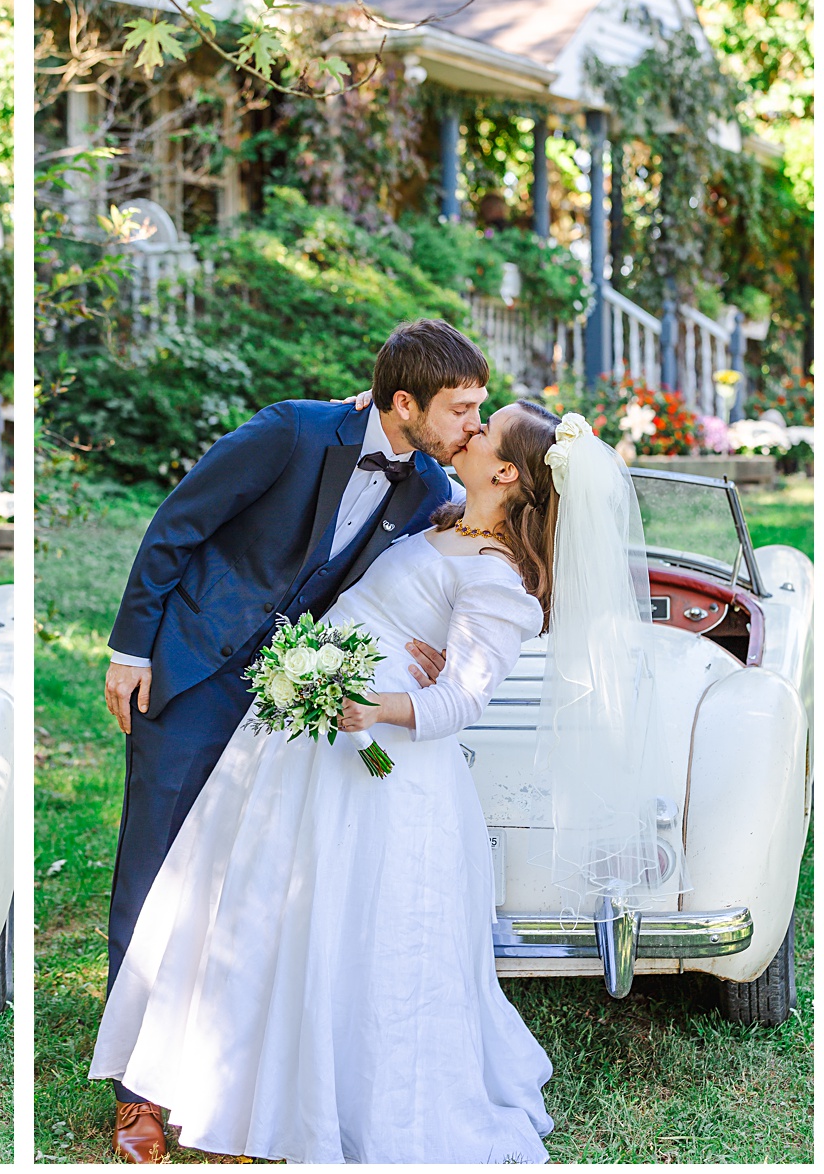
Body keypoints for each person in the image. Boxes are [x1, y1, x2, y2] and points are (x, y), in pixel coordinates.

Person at [90, 400, 595, 1162]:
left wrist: (381, 700)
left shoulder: (497, 574)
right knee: (234, 902)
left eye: (484, 424)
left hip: (371, 758)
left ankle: (296, 1098)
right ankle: (182, 1085)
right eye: (465, 409)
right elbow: (198, 524)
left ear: (506, 471)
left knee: (337, 932)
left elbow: (461, 696)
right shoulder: (439, 506)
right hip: (283, 722)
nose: (472, 424)